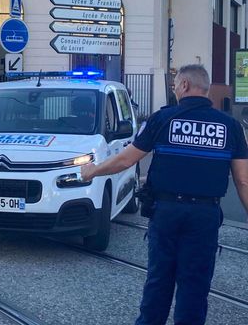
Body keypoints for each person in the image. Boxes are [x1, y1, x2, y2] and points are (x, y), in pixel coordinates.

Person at [80, 64, 248, 325]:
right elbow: (243, 180)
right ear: (205, 89)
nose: (174, 90)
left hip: (167, 212)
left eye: (174, 86)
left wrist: (92, 171)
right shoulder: (230, 126)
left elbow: (125, 160)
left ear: (184, 86)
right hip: (205, 215)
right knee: (195, 285)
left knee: (159, 280)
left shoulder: (163, 119)